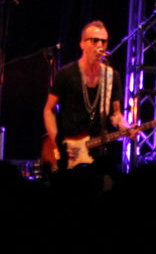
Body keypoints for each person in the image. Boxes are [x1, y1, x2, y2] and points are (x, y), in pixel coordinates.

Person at [43, 21, 132, 169]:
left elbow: (116, 115)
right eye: (94, 41)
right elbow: (48, 110)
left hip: (96, 151)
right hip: (69, 149)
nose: (100, 45)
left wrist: (126, 127)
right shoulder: (66, 74)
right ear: (82, 44)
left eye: (104, 41)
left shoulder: (112, 76)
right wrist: (57, 142)